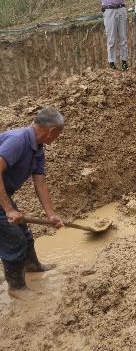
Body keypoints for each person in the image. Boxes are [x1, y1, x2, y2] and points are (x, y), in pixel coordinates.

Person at [0, 108, 64, 300]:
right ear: (52, 131)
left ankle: (31, 266)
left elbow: (40, 182)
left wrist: (51, 214)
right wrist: (8, 208)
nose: (57, 138)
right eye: (59, 134)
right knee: (14, 240)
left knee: (24, 233)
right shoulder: (18, 140)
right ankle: (16, 287)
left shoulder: (38, 147)